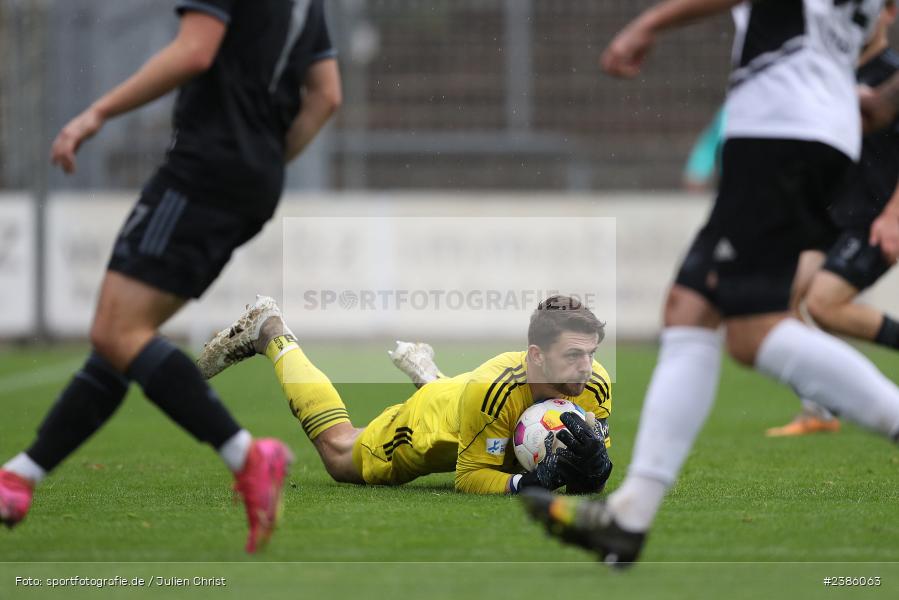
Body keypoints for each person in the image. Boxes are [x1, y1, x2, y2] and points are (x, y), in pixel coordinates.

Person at [522, 0, 899, 566]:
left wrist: (646, 25)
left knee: (746, 328)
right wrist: (876, 101)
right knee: (693, 310)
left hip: (779, 121)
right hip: (808, 124)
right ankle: (629, 518)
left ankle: (630, 516)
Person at [0, 0, 341, 553]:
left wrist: (97, 114)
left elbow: (194, 49)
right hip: (254, 179)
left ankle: (247, 456)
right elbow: (327, 95)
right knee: (123, 337)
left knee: (117, 332)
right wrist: (263, 160)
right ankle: (21, 475)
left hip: (204, 168)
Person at [197, 295, 614, 495]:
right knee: (339, 453)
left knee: (476, 408)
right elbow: (469, 477)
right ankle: (270, 333)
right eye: (574, 354)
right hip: (429, 423)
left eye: (591, 353)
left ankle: (425, 370)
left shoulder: (595, 383)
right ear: (537, 356)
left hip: (467, 400)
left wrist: (596, 469)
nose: (586, 366)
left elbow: (592, 458)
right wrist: (528, 483)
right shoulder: (494, 391)